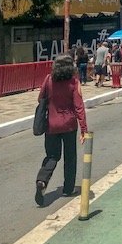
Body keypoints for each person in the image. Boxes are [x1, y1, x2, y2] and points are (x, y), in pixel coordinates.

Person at [34, 54, 88, 206]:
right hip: (69, 124)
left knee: (52, 156)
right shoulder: (73, 82)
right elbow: (79, 107)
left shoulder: (48, 79)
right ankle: (68, 188)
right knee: (70, 157)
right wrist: (84, 129)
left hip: (51, 124)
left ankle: (42, 180)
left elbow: (40, 98)